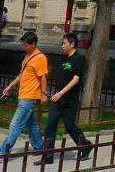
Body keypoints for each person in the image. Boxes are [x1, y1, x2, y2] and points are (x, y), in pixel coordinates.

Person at [35, 33, 92, 165]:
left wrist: (61, 93)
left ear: (72, 44)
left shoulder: (79, 59)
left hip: (69, 100)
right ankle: (48, 156)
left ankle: (85, 146)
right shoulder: (65, 58)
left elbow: (76, 79)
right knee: (50, 125)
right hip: (58, 99)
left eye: (64, 43)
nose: (62, 46)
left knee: (70, 126)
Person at [0, 32, 48, 156]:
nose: (24, 47)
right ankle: (39, 147)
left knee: (15, 125)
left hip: (29, 97)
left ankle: (3, 152)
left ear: (34, 44)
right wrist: (10, 86)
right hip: (23, 95)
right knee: (31, 124)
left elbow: (43, 77)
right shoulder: (28, 56)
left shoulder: (40, 58)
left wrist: (43, 94)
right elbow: (22, 74)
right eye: (23, 45)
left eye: (26, 45)